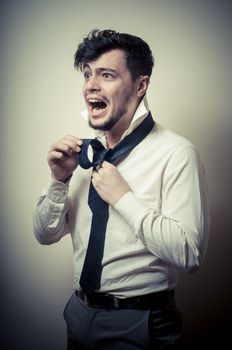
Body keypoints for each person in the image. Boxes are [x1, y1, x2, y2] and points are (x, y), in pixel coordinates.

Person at [33, 29, 210, 349]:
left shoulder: (177, 154)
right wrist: (58, 180)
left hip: (140, 323)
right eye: (87, 74)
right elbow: (45, 235)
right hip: (77, 314)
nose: (91, 85)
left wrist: (123, 198)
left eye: (106, 74)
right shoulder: (82, 157)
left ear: (141, 85)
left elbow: (190, 254)